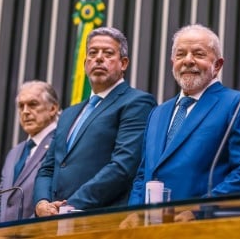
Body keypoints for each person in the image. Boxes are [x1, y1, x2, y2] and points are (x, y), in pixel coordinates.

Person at [126, 24, 240, 209]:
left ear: (218, 65)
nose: (188, 61)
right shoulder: (157, 113)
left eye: (198, 54)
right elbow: (143, 174)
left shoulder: (237, 104)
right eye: (181, 54)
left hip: (203, 225)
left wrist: (200, 210)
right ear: (172, 62)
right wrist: (133, 212)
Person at [33, 27, 157, 216]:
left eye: (108, 53)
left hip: (100, 218)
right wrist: (42, 203)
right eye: (93, 53)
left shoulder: (137, 102)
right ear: (85, 64)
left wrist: (70, 206)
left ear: (123, 63)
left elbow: (123, 167)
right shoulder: (68, 113)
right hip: (54, 221)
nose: (99, 58)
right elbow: (48, 168)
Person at [0, 80, 60, 223]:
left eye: (33, 104)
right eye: (21, 106)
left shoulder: (61, 144)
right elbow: (0, 201)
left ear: (53, 109)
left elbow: (56, 197)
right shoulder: (15, 152)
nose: (25, 111)